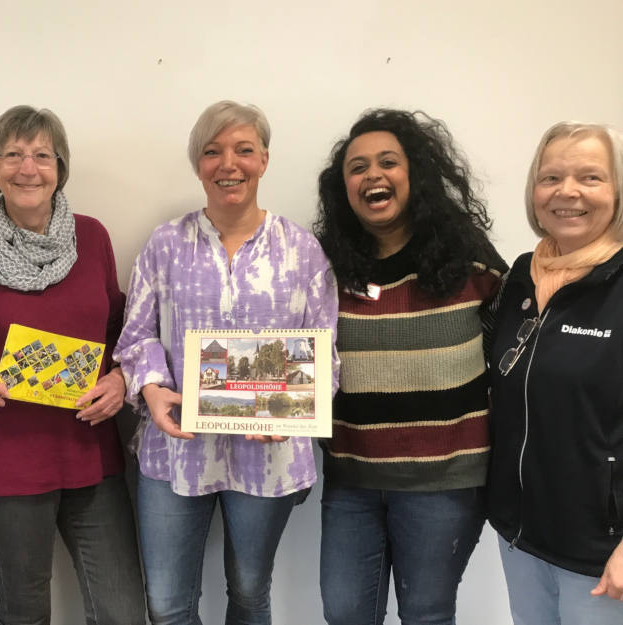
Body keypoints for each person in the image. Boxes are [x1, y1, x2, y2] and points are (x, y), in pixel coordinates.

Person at [114, 100, 339, 625]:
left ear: (264, 160)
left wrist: (291, 409)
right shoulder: (165, 243)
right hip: (175, 451)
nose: (228, 164)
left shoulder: (301, 249)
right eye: (212, 152)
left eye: (243, 150)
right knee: (168, 606)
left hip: (270, 456)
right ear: (199, 165)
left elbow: (325, 348)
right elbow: (136, 336)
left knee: (249, 593)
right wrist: (150, 387)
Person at [0, 105, 145, 624]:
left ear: (60, 167)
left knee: (122, 613)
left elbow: (120, 333)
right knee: (24, 613)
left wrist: (119, 379)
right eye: (13, 155)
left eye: (42, 155)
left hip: (93, 459)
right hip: (8, 465)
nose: (28, 168)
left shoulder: (92, 238)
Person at [313, 109, 506, 625]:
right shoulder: (323, 268)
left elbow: (512, 350)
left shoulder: (469, 259)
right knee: (346, 613)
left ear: (414, 175)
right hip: (352, 478)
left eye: (387, 162)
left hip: (445, 482)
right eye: (357, 167)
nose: (372, 175)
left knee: (426, 613)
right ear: (343, 188)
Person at [488, 122, 623, 623]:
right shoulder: (521, 276)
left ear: (617, 191)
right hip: (519, 535)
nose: (567, 192)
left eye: (590, 177)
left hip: (600, 554)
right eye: (551, 178)